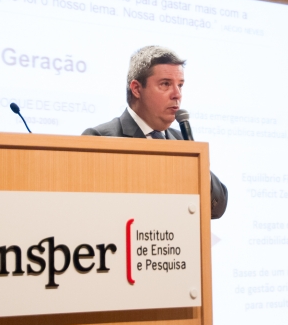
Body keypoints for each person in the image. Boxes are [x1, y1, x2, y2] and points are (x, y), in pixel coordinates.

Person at [82, 45, 228, 219]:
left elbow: (217, 208)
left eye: (180, 85)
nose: (177, 94)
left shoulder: (183, 141)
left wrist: (199, 167)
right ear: (137, 89)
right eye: (165, 84)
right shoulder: (100, 139)